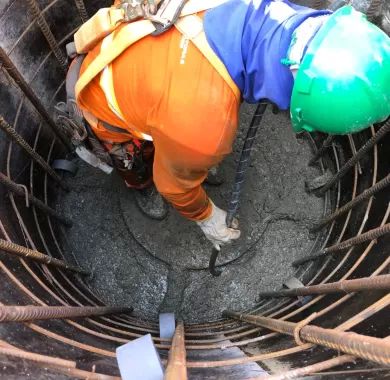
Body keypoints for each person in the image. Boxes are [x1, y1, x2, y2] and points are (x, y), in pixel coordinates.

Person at [73, 0, 390, 249]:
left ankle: (167, 140)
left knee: (182, 140)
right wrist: (206, 217)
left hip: (124, 40)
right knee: (141, 166)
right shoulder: (202, 129)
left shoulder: (264, 15)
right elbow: (174, 186)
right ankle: (138, 185)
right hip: (98, 100)